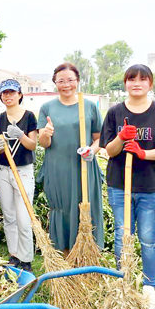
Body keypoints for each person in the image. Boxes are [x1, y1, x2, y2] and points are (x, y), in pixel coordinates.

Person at [102, 64, 155, 309]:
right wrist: (121, 138)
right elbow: (109, 150)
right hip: (119, 185)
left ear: (150, 84)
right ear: (125, 83)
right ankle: (122, 282)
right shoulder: (115, 112)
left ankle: (148, 288)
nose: (137, 83)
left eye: (143, 79)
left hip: (150, 186)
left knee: (148, 238)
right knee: (121, 235)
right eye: (132, 79)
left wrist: (143, 153)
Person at [37, 62, 104, 253]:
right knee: (61, 208)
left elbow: (99, 139)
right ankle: (64, 253)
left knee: (85, 208)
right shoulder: (47, 107)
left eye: (70, 80)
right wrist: (46, 133)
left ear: (78, 81)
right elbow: (44, 144)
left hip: (83, 166)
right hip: (57, 168)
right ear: (55, 83)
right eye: (61, 81)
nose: (66, 85)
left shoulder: (89, 106)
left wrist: (91, 151)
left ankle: (88, 253)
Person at [0, 79, 37, 272]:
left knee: (23, 216)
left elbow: (33, 145)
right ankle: (14, 255)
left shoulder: (29, 117)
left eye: (12, 92)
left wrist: (20, 135)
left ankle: (26, 258)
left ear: (20, 94)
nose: (8, 96)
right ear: (1, 96)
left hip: (24, 171)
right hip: (3, 170)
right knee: (9, 215)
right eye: (4, 93)